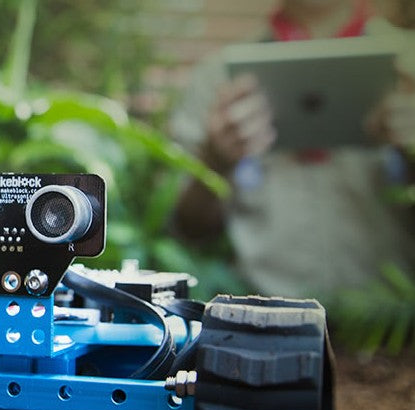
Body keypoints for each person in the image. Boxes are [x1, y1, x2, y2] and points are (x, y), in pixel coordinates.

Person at [170, 0, 415, 302]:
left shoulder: (408, 63)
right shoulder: (219, 77)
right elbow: (188, 228)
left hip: (392, 318)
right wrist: (215, 162)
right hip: (261, 314)